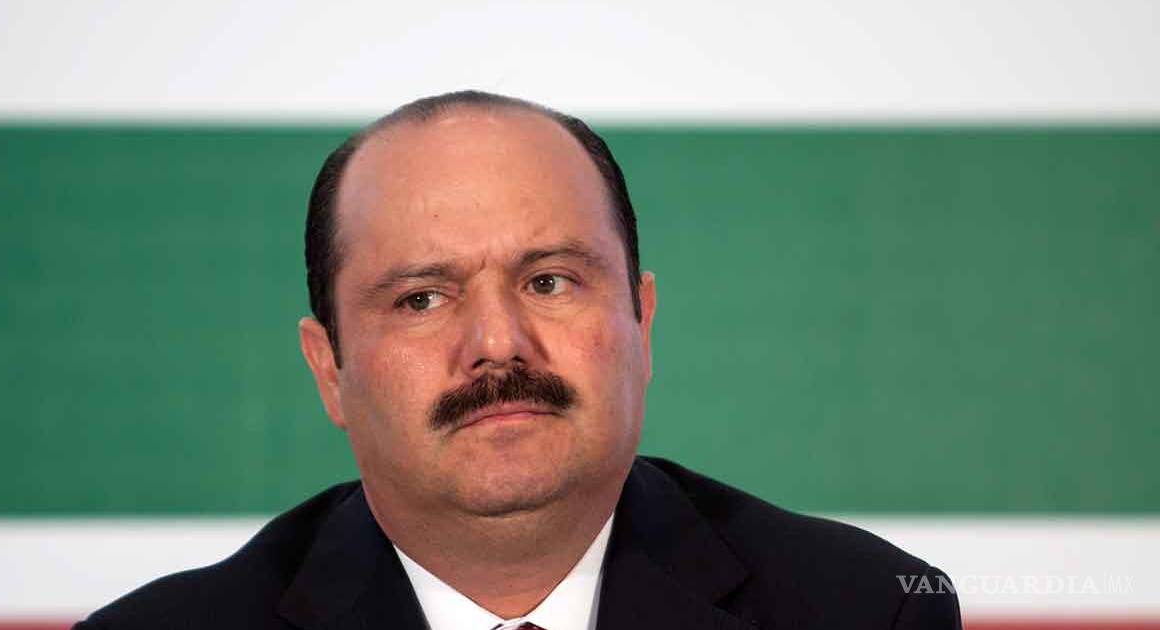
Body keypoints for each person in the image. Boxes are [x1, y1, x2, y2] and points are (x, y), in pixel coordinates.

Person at [75, 90, 962, 629]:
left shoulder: (864, 611)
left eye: (548, 281)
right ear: (329, 369)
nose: (498, 343)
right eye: (422, 299)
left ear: (642, 321)